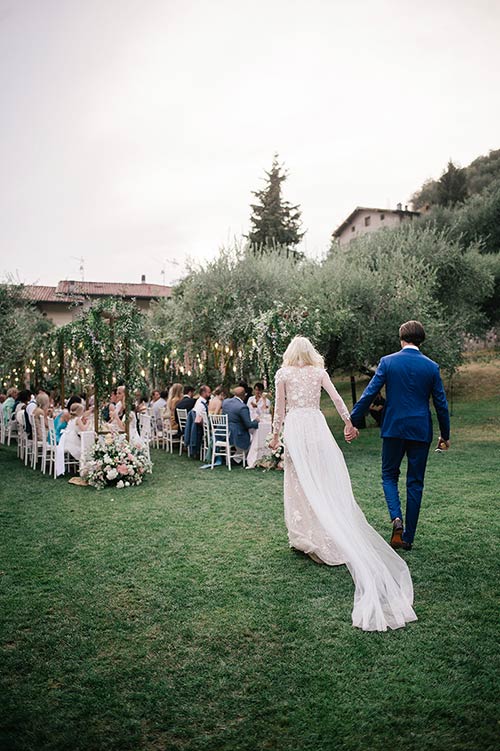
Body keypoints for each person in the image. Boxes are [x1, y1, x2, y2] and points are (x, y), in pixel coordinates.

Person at [269, 335, 417, 632]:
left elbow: (280, 409)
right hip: (316, 426)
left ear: (289, 353)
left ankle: (305, 535)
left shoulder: (283, 374)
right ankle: (319, 531)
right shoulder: (319, 372)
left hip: (297, 426)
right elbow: (337, 399)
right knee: (320, 480)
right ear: (311, 353)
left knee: (299, 481)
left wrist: (275, 435)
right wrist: (349, 423)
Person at [350, 320, 450, 551]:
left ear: (401, 338)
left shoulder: (388, 362)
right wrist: (445, 434)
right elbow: (441, 405)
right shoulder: (431, 367)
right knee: (415, 482)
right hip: (420, 430)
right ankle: (408, 537)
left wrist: (353, 421)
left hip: (394, 428)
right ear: (421, 339)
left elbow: (369, 393)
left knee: (388, 475)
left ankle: (396, 518)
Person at [222, 386, 259, 454]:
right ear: (244, 395)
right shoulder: (242, 407)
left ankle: (237, 457)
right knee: (253, 437)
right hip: (237, 434)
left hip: (225, 432)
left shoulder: (225, 402)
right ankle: (238, 459)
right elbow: (248, 424)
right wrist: (257, 421)